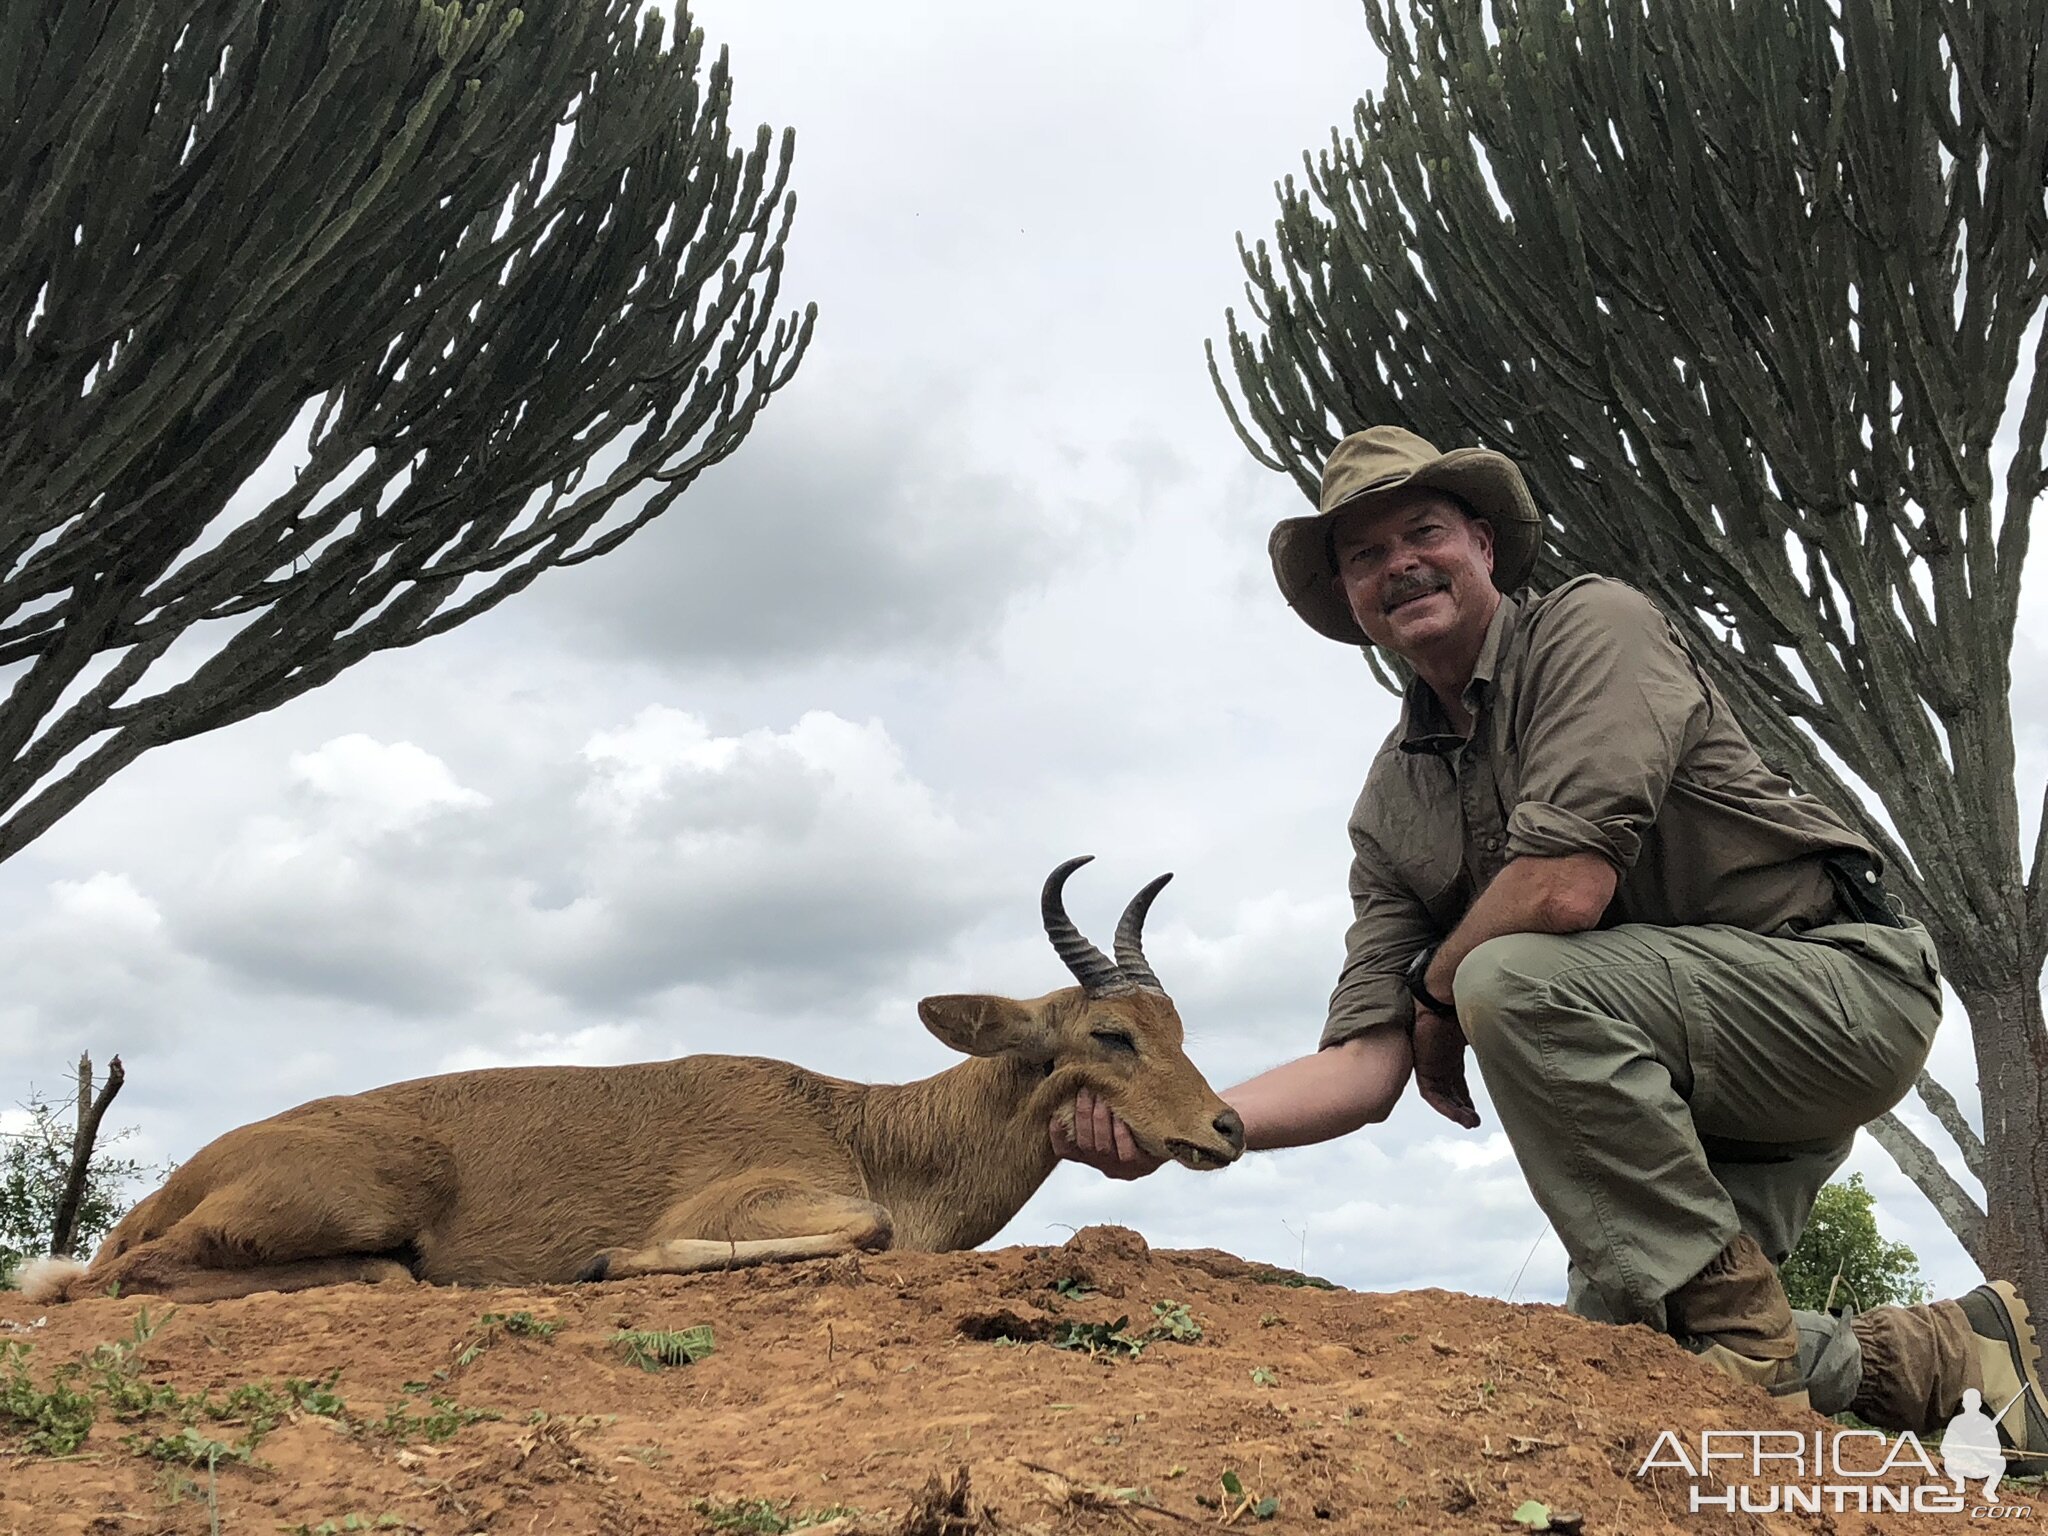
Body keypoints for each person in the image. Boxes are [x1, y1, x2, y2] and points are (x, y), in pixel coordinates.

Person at [1053, 424, 2045, 1461]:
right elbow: (1362, 1064)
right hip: (1676, 1089)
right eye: (1361, 554)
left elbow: (1562, 889)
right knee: (1619, 1354)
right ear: (1347, 597)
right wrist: (1179, 1124)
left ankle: (1746, 1366)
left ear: (1481, 544)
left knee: (1504, 976)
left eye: (1421, 530)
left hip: (1836, 998)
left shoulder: (1592, 627)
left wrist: (1438, 996)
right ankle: (1947, 1355)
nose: (1397, 564)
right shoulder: (1389, 806)